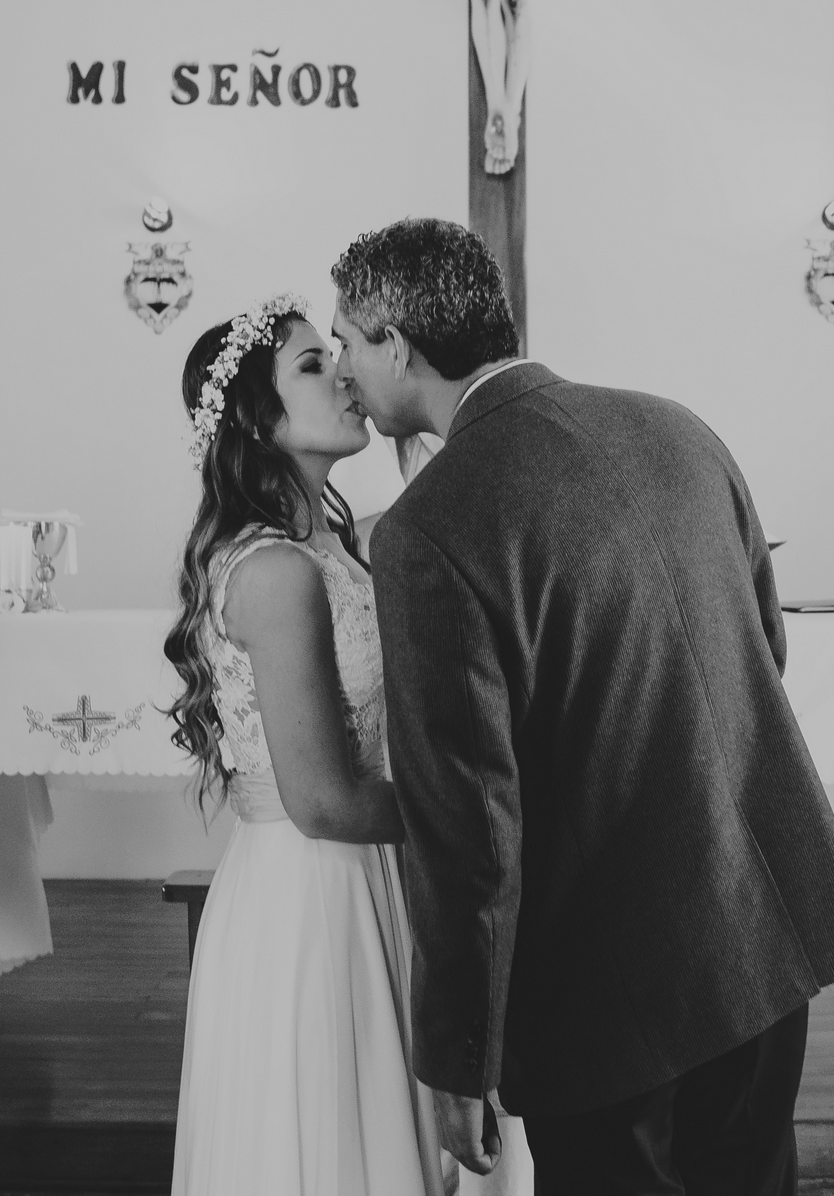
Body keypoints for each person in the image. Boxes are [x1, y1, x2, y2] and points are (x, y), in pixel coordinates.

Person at [330, 218, 834, 1195]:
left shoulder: (429, 525)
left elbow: (466, 825)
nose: (342, 365)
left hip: (599, 984)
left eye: (345, 338)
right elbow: (764, 647)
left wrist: (457, 1058)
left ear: (396, 343)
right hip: (757, 925)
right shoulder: (674, 428)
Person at [165, 293, 491, 1195]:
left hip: (369, 874)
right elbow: (324, 800)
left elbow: (452, 500)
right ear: (256, 420)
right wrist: (479, 810)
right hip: (311, 894)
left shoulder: (340, 546)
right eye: (312, 365)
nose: (342, 374)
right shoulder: (272, 571)